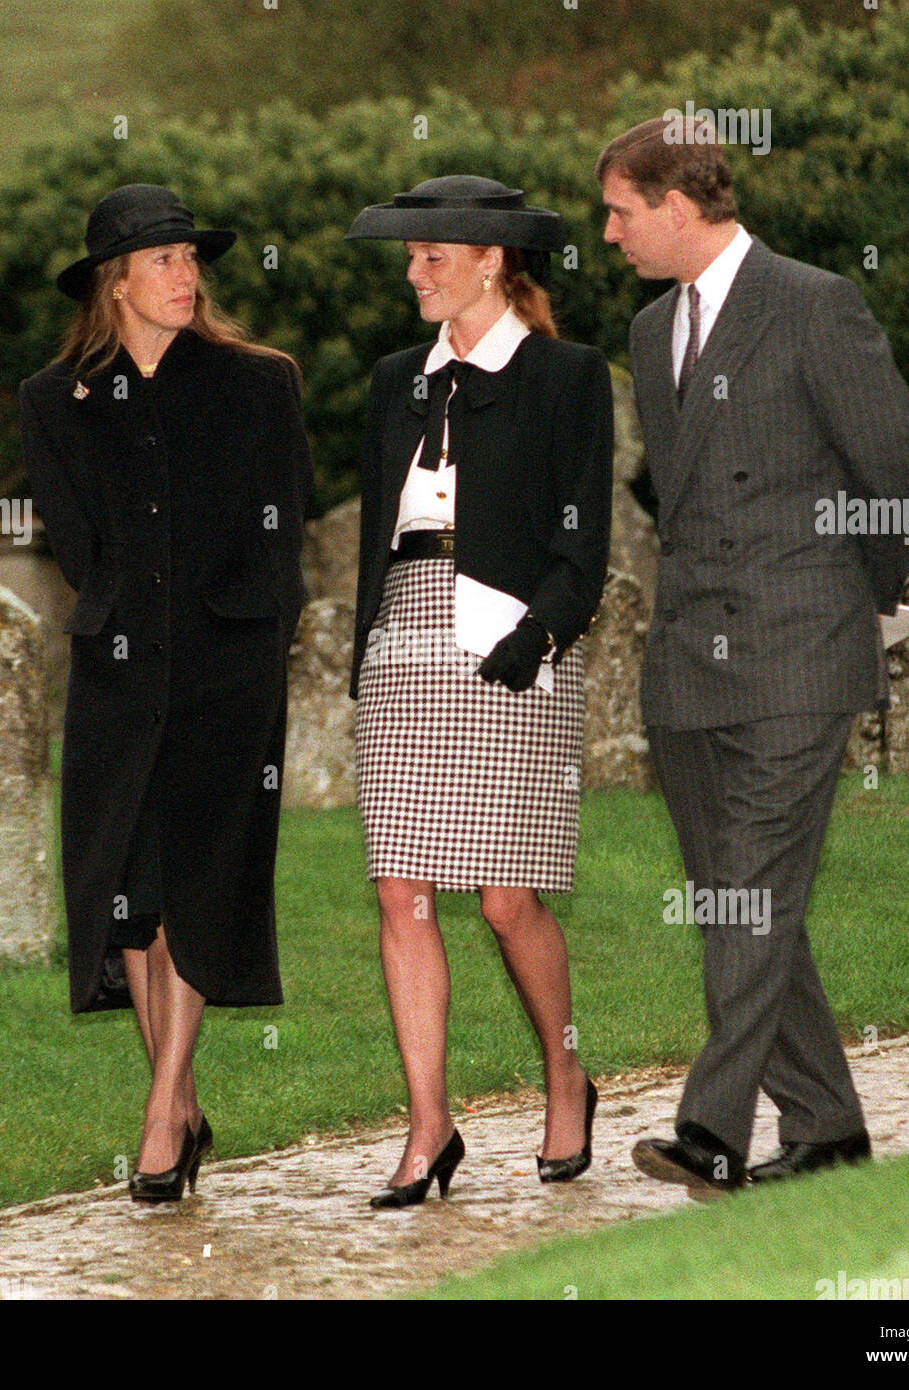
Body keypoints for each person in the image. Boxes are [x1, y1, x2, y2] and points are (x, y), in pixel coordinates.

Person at [598, 118, 909, 1194]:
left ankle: (712, 1127)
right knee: (736, 902)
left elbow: (890, 476)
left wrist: (848, 610)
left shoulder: (813, 302)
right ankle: (827, 1125)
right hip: (689, 662)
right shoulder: (652, 333)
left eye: (621, 211)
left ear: (678, 207)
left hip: (798, 650)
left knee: (748, 893)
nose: (608, 233)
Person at [20, 184, 312, 1203]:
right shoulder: (55, 399)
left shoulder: (257, 382)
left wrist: (256, 637)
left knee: (195, 886)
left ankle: (161, 1111)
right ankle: (176, 1104)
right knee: (132, 897)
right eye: (162, 261)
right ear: (114, 282)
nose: (185, 276)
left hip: (228, 673)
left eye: (192, 258)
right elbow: (78, 552)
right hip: (118, 674)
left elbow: (286, 535)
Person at [345, 176, 613, 1207]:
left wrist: (540, 628)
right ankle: (427, 1129)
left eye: (432, 257)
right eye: (410, 258)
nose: (414, 274)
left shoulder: (566, 375)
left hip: (515, 630)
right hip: (406, 636)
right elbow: (380, 532)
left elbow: (583, 532)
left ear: (492, 260)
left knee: (505, 897)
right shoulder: (391, 382)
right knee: (398, 887)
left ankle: (563, 1072)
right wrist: (367, 647)